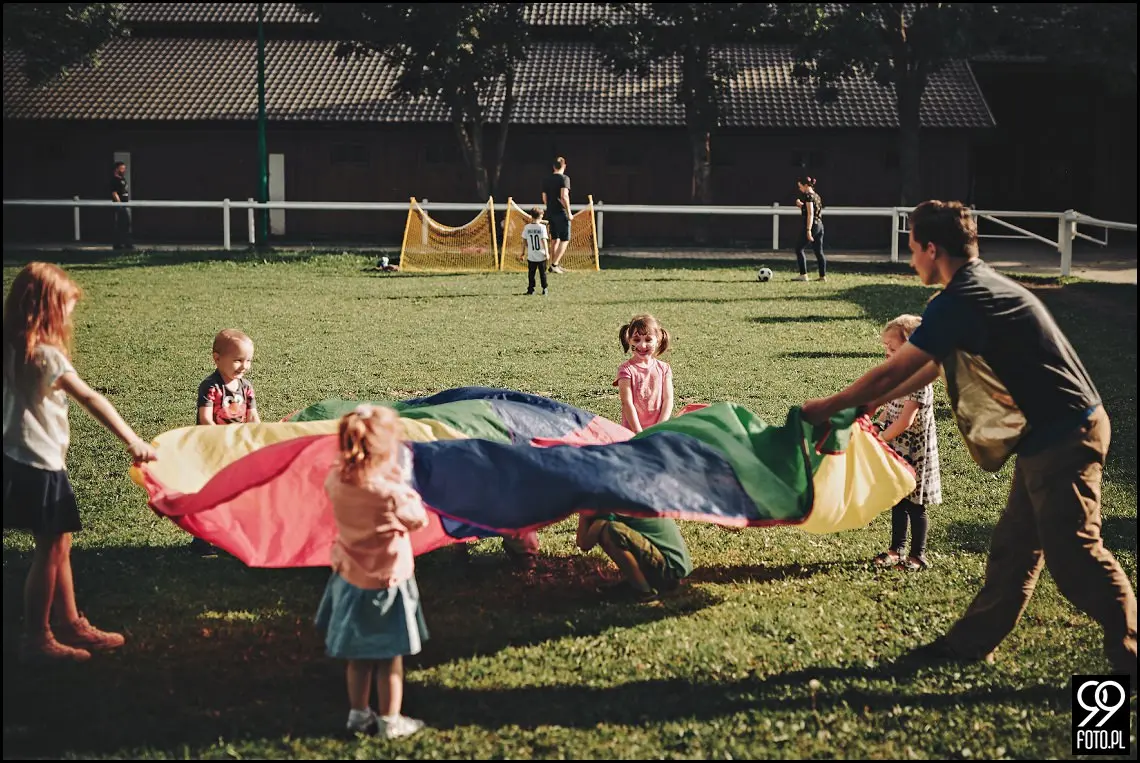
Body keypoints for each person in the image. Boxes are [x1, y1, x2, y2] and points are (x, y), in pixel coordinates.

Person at [802, 200, 1136, 679]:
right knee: (1014, 549)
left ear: (932, 249)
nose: (911, 259)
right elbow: (930, 367)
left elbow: (899, 368)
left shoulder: (964, 298)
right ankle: (969, 645)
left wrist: (827, 406)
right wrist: (871, 404)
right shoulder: (975, 289)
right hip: (1049, 434)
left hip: (1066, 433)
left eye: (913, 249)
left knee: (1077, 556)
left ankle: (1130, 653)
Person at [3, 262, 157, 662]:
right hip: (40, 463)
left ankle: (71, 622)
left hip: (19, 457)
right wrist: (133, 440)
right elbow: (90, 397)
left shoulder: (11, 346)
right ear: (46, 309)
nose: (70, 317)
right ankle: (37, 638)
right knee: (48, 551)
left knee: (59, 543)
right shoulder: (47, 357)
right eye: (66, 308)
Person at [316, 404, 429, 739]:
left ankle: (358, 714)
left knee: (359, 656)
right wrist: (401, 483)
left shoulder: (337, 480)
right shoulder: (391, 494)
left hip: (350, 578)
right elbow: (418, 519)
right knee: (389, 658)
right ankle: (390, 720)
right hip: (386, 583)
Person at [871, 314, 942, 572]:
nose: (887, 353)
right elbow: (889, 409)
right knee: (898, 500)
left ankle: (917, 555)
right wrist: (877, 425)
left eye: (893, 349)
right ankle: (896, 550)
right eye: (885, 348)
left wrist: (881, 439)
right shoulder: (897, 376)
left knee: (915, 505)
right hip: (897, 448)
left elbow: (905, 421)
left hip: (915, 452)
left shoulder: (920, 382)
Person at [188, 328, 260, 557]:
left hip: (237, 449)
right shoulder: (211, 386)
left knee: (237, 493)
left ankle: (231, 537)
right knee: (211, 494)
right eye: (238, 360)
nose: (244, 366)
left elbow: (253, 417)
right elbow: (205, 419)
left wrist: (259, 435)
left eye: (248, 360)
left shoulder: (246, 387)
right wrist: (222, 439)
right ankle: (202, 539)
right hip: (213, 450)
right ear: (217, 358)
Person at [576, 511, 693, 602]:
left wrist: (584, 514)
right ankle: (642, 582)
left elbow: (584, 543)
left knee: (609, 530)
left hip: (671, 570)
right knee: (605, 527)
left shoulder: (610, 504)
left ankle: (645, 592)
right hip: (676, 566)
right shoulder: (629, 495)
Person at [614, 314, 674, 433]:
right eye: (636, 340)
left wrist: (659, 428)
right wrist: (638, 433)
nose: (642, 345)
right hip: (632, 433)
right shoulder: (626, 370)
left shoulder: (664, 369)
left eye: (648, 340)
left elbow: (668, 400)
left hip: (658, 432)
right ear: (629, 340)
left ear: (658, 341)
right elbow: (627, 403)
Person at [541, 156, 572, 274]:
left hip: (550, 212)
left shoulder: (546, 179)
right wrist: (569, 212)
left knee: (555, 239)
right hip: (561, 212)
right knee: (565, 239)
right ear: (564, 166)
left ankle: (554, 264)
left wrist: (550, 207)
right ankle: (554, 264)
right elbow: (564, 196)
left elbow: (544, 198)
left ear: (553, 166)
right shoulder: (564, 178)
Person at [793, 176, 826, 282]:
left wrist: (808, 230)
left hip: (812, 225)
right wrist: (801, 206)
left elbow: (810, 214)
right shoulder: (816, 196)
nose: (800, 189)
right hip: (820, 225)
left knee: (799, 248)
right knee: (819, 252)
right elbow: (813, 210)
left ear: (806, 185)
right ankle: (822, 276)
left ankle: (803, 274)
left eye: (800, 186)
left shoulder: (808, 196)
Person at [520, 206, 550, 296]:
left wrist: (522, 253)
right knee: (543, 273)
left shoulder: (527, 227)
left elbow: (524, 241)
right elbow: (544, 241)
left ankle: (531, 289)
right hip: (541, 255)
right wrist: (547, 252)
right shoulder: (542, 227)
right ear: (540, 216)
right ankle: (544, 289)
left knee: (531, 274)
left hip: (531, 255)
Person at [110, 161, 134, 250]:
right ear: (117, 169)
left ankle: (123, 243)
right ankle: (121, 244)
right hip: (120, 206)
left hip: (124, 205)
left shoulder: (122, 179)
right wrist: (119, 204)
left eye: (124, 168)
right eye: (122, 168)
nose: (124, 170)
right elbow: (114, 193)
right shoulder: (114, 180)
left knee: (125, 224)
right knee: (122, 224)